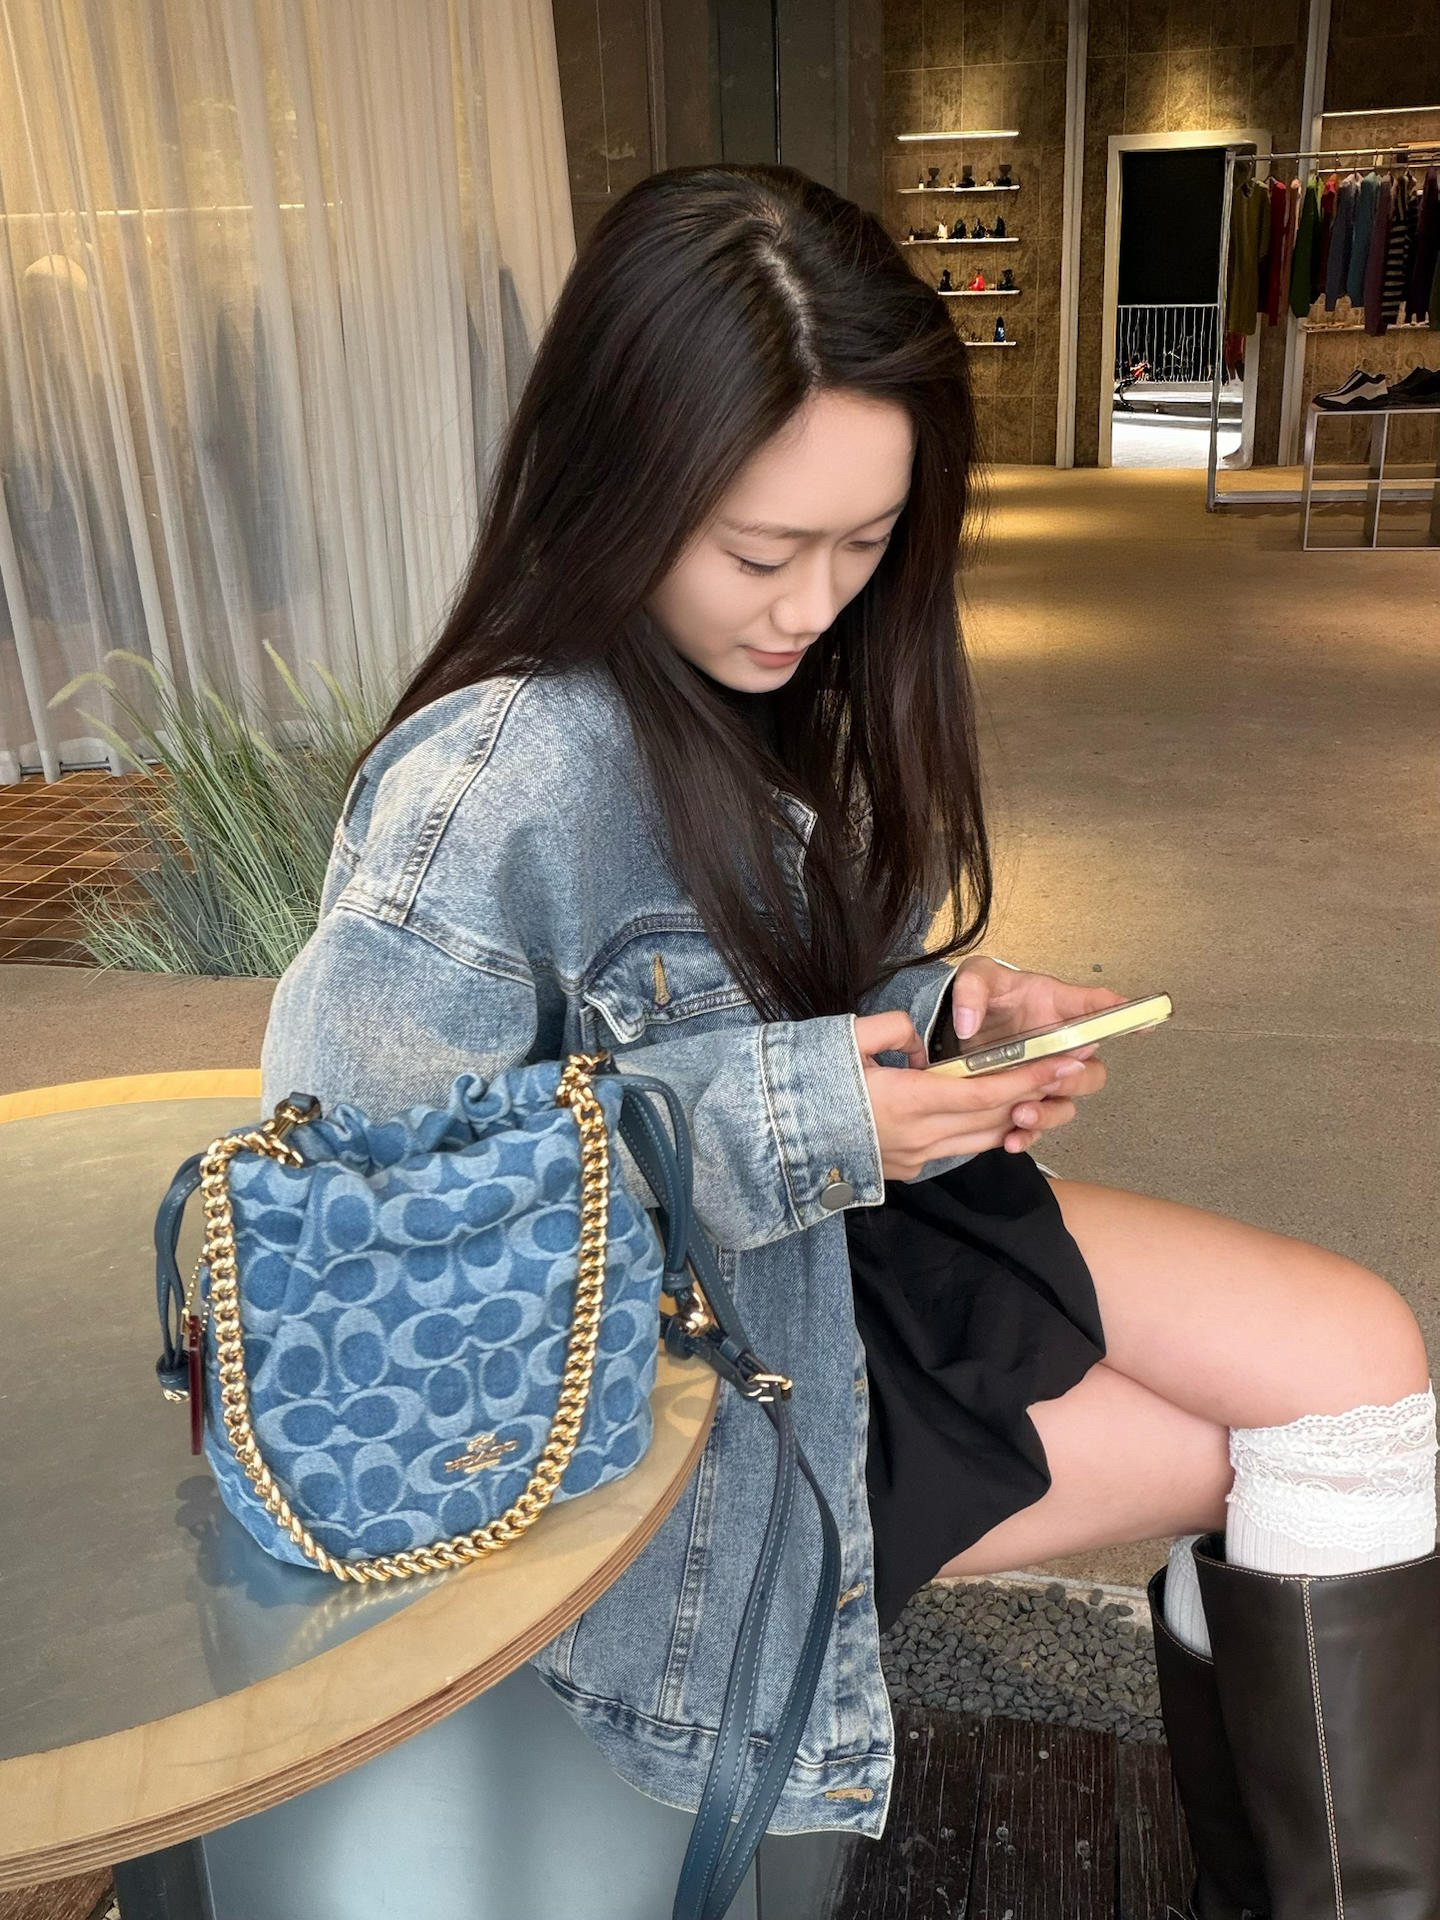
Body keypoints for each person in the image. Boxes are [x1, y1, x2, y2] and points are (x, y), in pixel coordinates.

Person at [259, 163, 1438, 1919]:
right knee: (1290, 1451)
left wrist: (936, 1012)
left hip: (822, 1259)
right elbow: (347, 1233)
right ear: (613, 485)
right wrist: (814, 1115)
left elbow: (746, 982)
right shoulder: (489, 787)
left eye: (867, 543)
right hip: (669, 1374)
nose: (810, 603)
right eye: (759, 550)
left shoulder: (741, 686)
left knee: (1354, 1368)